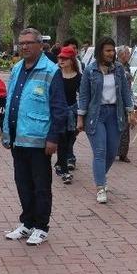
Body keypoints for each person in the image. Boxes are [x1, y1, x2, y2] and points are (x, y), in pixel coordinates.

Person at [2, 28, 68, 246]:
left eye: (30, 42)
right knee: (22, 183)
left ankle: (41, 226)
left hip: (39, 140)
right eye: (21, 43)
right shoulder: (17, 68)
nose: (25, 46)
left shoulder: (51, 71)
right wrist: (6, 132)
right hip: (17, 138)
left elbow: (59, 108)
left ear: (41, 45)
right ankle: (27, 223)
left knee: (41, 185)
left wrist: (53, 138)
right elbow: (11, 100)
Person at [77, 37, 137, 204]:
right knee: (100, 152)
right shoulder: (90, 71)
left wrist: (131, 112)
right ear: (100, 52)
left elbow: (125, 92)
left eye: (113, 50)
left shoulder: (118, 69)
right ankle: (100, 187)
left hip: (115, 114)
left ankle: (100, 177)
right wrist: (80, 118)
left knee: (111, 153)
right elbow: (83, 96)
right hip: (96, 115)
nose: (111, 54)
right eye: (108, 50)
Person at [55, 45, 81, 184]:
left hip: (73, 112)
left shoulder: (79, 77)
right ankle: (65, 171)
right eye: (60, 57)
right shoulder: (55, 75)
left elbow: (83, 96)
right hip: (59, 112)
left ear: (72, 60)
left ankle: (60, 162)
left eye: (64, 58)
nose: (61, 60)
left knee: (70, 140)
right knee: (62, 140)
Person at [116, 45, 134, 162]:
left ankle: (123, 153)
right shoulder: (116, 66)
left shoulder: (127, 66)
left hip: (126, 99)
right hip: (118, 100)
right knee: (116, 127)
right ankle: (114, 150)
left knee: (125, 127)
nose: (129, 55)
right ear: (122, 54)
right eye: (127, 53)